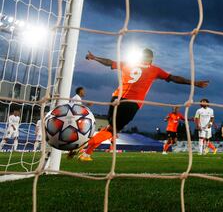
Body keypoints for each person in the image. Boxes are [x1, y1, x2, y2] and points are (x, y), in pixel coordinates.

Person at [72, 48, 209, 161]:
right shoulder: (155, 70)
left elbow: (109, 62)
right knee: (112, 130)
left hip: (115, 97)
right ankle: (84, 145)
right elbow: (173, 78)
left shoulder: (128, 64)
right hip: (131, 104)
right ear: (151, 59)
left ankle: (86, 153)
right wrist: (194, 83)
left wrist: (94, 57)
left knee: (110, 128)